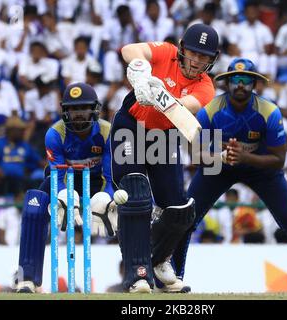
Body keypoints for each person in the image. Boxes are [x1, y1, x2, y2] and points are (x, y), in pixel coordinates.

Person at [167, 58, 287, 291]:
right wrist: (222, 155)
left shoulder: (269, 112)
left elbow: (279, 161)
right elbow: (196, 154)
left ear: (255, 84)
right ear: (226, 83)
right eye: (235, 80)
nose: (240, 85)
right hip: (220, 167)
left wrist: (245, 157)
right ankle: (173, 280)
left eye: (246, 80)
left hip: (261, 168)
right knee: (186, 219)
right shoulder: (210, 111)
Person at [110, 23, 219, 293]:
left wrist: (157, 94)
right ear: (182, 48)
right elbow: (129, 49)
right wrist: (141, 72)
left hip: (164, 135)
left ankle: (158, 261)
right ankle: (137, 274)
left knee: (181, 211)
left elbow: (183, 109)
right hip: (130, 126)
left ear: (212, 60)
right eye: (193, 53)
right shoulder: (166, 52)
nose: (197, 61)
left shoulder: (206, 87)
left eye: (204, 57)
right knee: (136, 193)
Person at [16, 83, 118, 293]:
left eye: (83, 108)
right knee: (35, 205)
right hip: (63, 182)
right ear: (65, 111)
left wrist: (106, 198)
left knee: (129, 201)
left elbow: (110, 176)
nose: (78, 114)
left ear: (94, 109)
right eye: (73, 109)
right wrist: (64, 195)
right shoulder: (55, 134)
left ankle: (139, 274)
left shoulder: (108, 131)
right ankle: (27, 278)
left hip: (98, 182)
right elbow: (58, 176)